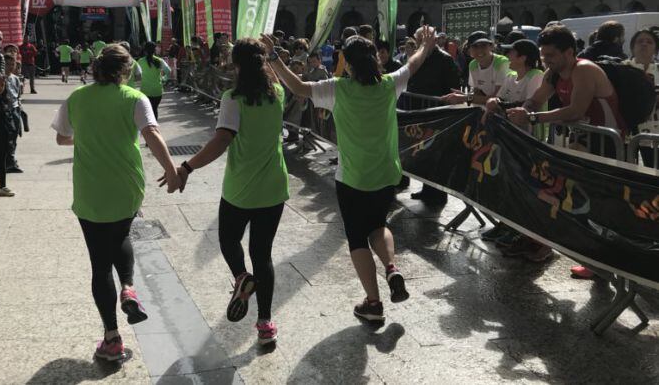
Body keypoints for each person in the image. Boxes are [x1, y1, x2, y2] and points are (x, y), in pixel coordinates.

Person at [262, 28, 437, 323]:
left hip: (353, 178)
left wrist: (275, 57)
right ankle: (392, 267)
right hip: (386, 174)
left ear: (349, 63)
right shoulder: (389, 84)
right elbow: (414, 64)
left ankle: (373, 303)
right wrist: (426, 46)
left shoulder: (337, 88)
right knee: (378, 225)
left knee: (357, 238)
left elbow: (298, 87)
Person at [52, 44, 181, 361]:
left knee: (99, 263)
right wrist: (172, 170)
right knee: (122, 234)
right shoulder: (135, 99)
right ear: (125, 70)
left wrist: (86, 135)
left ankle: (111, 338)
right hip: (127, 185)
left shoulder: (77, 98)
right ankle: (128, 287)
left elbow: (61, 137)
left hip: (90, 189)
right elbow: (151, 134)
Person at [172, 39, 289, 345]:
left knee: (227, 239)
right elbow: (273, 77)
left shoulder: (232, 98)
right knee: (262, 255)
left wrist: (186, 167)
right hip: (274, 188)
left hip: (241, 189)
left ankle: (241, 277)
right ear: (262, 62)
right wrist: (271, 55)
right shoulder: (277, 93)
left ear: (236, 65)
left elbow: (222, 140)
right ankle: (265, 325)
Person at [507, 25, 626, 279]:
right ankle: (557, 246)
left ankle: (601, 263)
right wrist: (525, 108)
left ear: (569, 52)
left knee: (595, 203)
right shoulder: (553, 72)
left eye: (550, 55)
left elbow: (574, 110)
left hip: (607, 143)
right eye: (543, 54)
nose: (545, 60)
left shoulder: (584, 70)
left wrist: (532, 117)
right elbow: (537, 98)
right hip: (584, 140)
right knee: (565, 191)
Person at [484, 40, 551, 263]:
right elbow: (500, 98)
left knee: (527, 187)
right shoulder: (511, 76)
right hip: (509, 138)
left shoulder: (536, 76)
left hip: (529, 140)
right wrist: (494, 101)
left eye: (511, 53)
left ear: (522, 57)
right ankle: (508, 225)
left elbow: (528, 105)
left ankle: (527, 234)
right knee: (507, 183)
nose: (508, 56)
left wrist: (499, 104)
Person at [403, 27, 461, 203]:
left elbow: (453, 87)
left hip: (437, 115)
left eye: (425, 39)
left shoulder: (445, 59)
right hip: (418, 113)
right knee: (421, 153)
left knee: (435, 153)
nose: (422, 43)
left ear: (435, 40)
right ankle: (425, 189)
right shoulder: (417, 58)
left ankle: (437, 194)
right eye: (419, 39)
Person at [444, 31, 509, 105]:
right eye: (475, 46)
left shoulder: (502, 62)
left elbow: (495, 99)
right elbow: (477, 94)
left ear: (491, 47)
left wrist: (464, 97)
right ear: (469, 50)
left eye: (483, 45)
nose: (479, 50)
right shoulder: (473, 64)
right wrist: (464, 95)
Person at [625, 29, 659, 167]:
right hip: (627, 132)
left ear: (656, 50)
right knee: (627, 173)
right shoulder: (623, 69)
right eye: (640, 41)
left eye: (649, 42)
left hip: (654, 133)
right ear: (632, 48)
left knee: (654, 172)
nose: (644, 44)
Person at [134, 42, 171, 121]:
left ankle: (149, 130)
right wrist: (164, 79)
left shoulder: (140, 61)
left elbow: (135, 74)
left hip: (145, 91)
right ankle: (155, 127)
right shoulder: (159, 60)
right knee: (154, 110)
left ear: (145, 50)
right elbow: (168, 71)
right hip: (157, 91)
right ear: (154, 50)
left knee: (147, 112)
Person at [4, 54, 24, 173]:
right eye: (8, 64)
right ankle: (4, 162)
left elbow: (18, 95)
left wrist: (19, 108)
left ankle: (11, 162)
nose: (10, 67)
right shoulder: (0, 78)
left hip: (15, 109)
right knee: (6, 138)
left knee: (14, 136)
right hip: (5, 111)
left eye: (13, 64)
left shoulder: (15, 78)